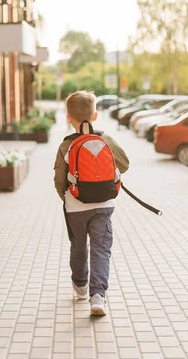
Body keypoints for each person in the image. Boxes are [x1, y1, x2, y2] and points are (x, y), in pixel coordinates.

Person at [53, 91, 129, 316]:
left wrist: (68, 199)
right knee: (101, 249)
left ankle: (80, 286)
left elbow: (59, 180)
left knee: (78, 246)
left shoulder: (66, 145)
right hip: (104, 204)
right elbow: (124, 164)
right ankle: (98, 296)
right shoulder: (105, 138)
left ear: (69, 118)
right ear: (95, 115)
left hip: (75, 206)